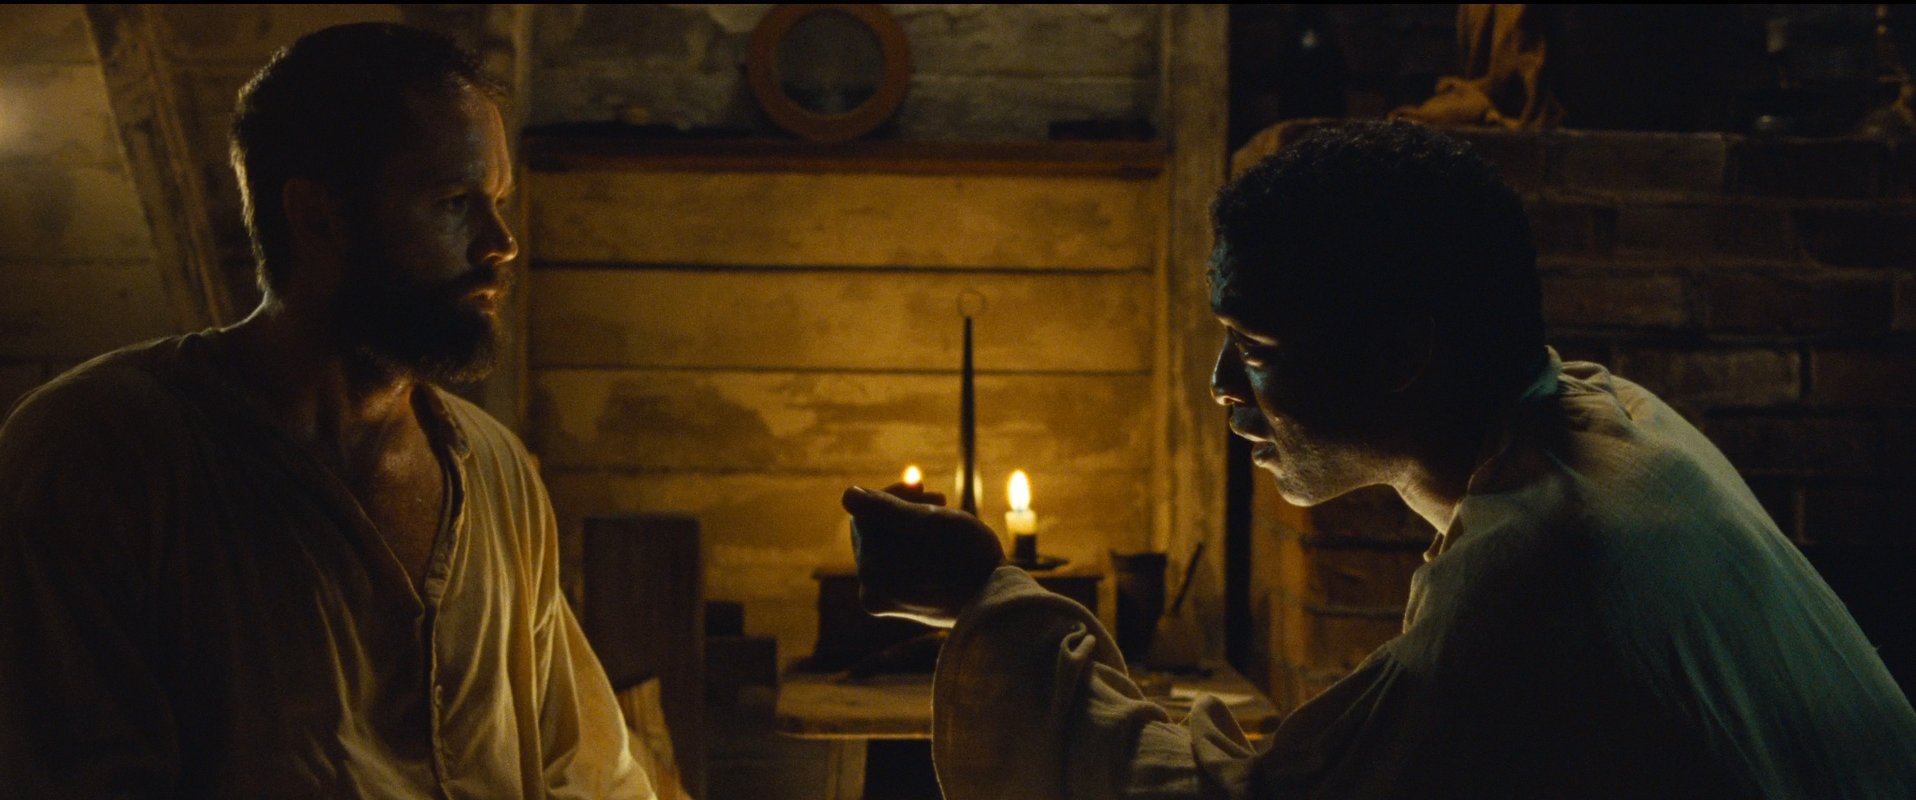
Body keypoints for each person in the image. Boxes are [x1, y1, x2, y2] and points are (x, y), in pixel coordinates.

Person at [842, 121, 1916, 798]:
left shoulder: (1538, 567)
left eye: (1256, 345)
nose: (1221, 384)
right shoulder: (1614, 418)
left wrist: (987, 601)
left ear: (1401, 352)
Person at [0, 23, 650, 798]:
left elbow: (586, 767)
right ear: (317, 217)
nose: (500, 243)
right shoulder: (98, 455)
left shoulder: (494, 466)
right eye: (453, 202)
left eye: (498, 201)